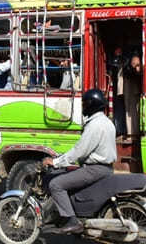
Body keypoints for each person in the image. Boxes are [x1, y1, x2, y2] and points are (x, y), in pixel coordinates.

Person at [42, 89, 117, 234]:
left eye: (85, 103)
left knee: (56, 184)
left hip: (94, 169)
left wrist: (55, 162)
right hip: (104, 167)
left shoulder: (95, 125)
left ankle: (72, 221)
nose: (83, 106)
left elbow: (79, 150)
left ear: (92, 104)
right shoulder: (107, 122)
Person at [124, 55, 142, 136]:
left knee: (136, 110)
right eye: (133, 63)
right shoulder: (128, 70)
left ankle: (135, 132)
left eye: (137, 64)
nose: (135, 65)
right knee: (130, 110)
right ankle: (131, 133)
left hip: (137, 89)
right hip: (131, 87)